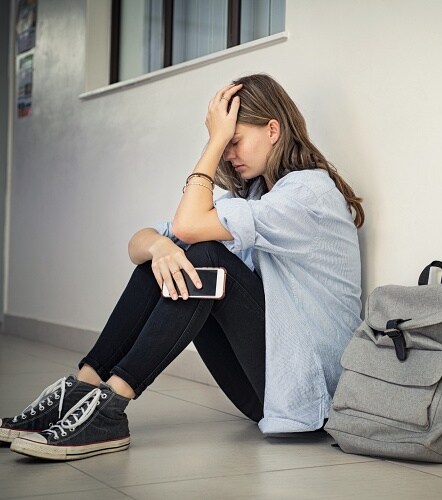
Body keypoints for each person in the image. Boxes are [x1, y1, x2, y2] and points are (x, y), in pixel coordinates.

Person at [0, 74, 364, 461]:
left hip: (312, 392)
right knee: (163, 261)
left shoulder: (308, 193)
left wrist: (212, 140)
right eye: (224, 145)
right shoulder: (255, 196)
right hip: (270, 390)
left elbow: (191, 228)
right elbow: (138, 243)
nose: (227, 154)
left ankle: (111, 408)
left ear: (272, 129)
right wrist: (160, 247)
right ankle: (82, 388)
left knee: (202, 256)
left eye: (233, 141)